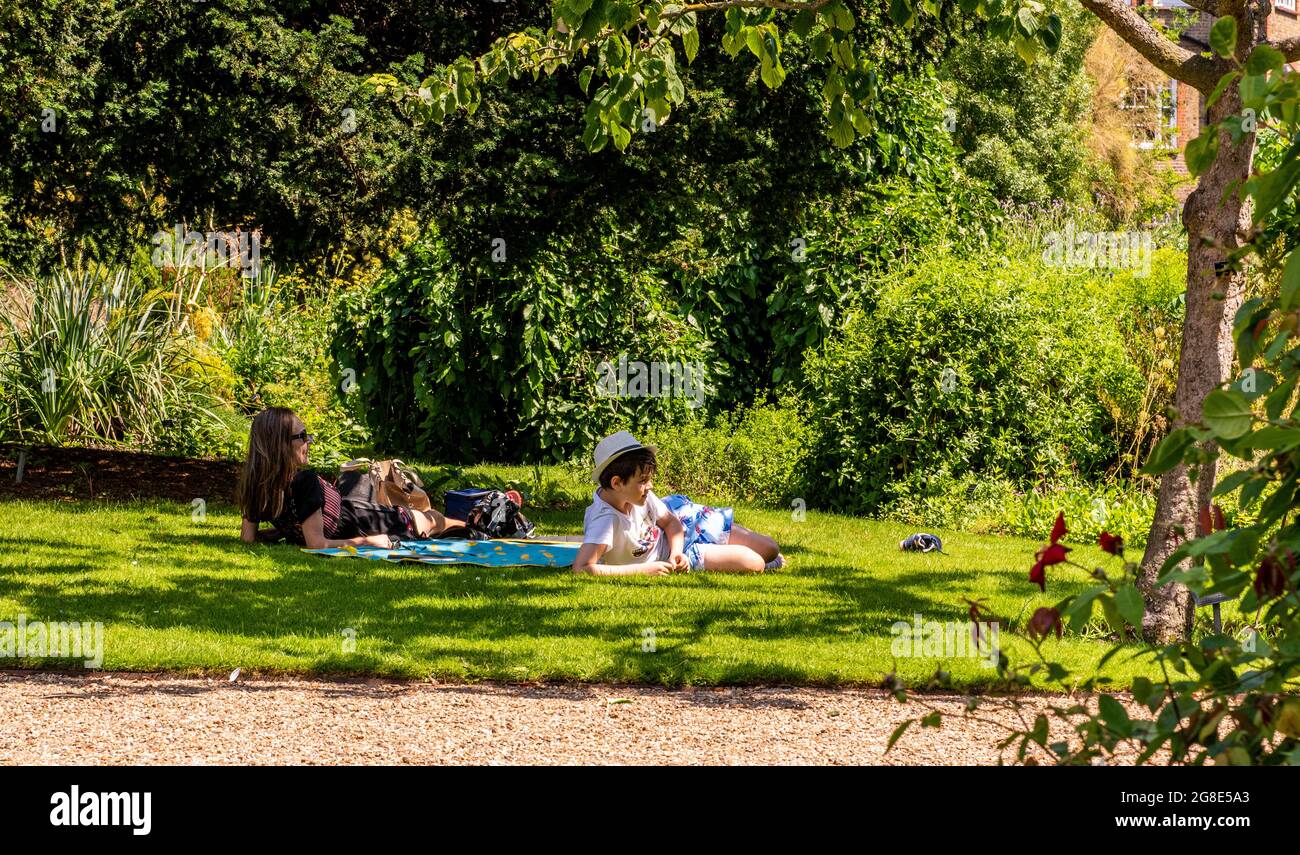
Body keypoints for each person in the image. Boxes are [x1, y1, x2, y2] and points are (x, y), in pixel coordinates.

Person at [236, 407, 460, 548]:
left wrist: (281, 531)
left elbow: (249, 538)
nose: (309, 441)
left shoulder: (259, 484)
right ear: (280, 444)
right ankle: (479, 523)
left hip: (365, 515)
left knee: (434, 521)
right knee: (432, 521)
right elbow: (318, 544)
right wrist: (371, 542)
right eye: (302, 436)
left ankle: (483, 524)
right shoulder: (303, 481)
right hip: (368, 524)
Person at [572, 431, 785, 577]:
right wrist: (646, 569)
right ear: (617, 483)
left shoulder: (639, 496)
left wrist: (676, 552)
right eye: (643, 481)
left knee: (770, 548)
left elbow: (671, 524)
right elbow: (582, 567)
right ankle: (749, 561)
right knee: (755, 563)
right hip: (683, 555)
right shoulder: (605, 520)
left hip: (685, 527)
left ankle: (737, 553)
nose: (651, 486)